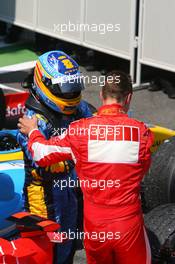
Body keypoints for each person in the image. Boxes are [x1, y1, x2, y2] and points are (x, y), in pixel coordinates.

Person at [18, 70, 154, 264]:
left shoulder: (79, 130)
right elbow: (143, 171)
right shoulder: (143, 132)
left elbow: (40, 154)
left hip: (95, 227)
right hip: (128, 225)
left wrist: (33, 132)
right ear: (129, 97)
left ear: (101, 95)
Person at [17, 50, 92, 264]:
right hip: (42, 198)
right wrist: (81, 152)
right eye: (65, 88)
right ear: (44, 83)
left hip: (69, 191)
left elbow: (94, 128)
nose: (71, 93)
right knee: (45, 249)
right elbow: (46, 164)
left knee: (67, 245)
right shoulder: (31, 120)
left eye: (73, 86)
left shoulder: (78, 107)